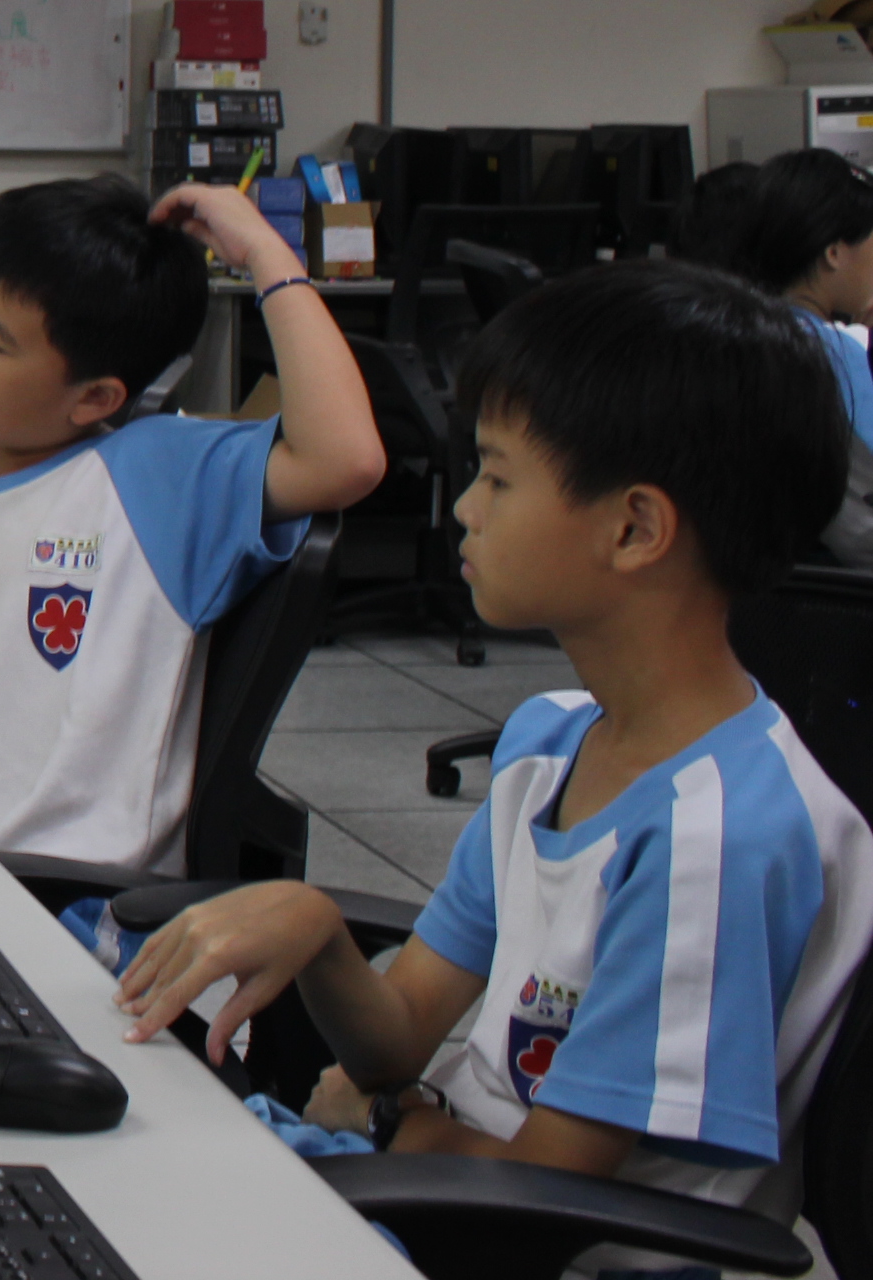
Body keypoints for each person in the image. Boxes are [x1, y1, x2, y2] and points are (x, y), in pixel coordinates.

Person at [113, 263, 873, 1230]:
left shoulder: (716, 837)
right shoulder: (551, 741)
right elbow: (400, 1036)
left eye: (499, 478)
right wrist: (319, 934)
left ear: (634, 528)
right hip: (449, 1196)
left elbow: (554, 1197)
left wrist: (386, 1122)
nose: (466, 508)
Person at [0, 174, 386, 875]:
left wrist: (266, 253)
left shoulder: (156, 475)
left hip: (71, 895)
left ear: (95, 398)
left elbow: (347, 459)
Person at [677, 149, 873, 567]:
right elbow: (862, 529)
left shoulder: (721, 336)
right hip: (836, 585)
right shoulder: (834, 352)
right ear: (834, 252)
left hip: (752, 583)